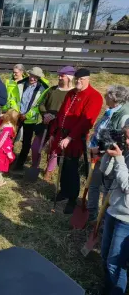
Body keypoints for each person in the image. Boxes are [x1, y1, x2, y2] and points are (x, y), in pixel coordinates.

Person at [50, 68, 103, 214]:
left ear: (88, 79)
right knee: (63, 165)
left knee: (72, 167)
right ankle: (64, 191)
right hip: (62, 134)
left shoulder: (94, 96)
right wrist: (54, 131)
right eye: (77, 79)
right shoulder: (71, 93)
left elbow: (86, 121)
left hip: (74, 138)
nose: (79, 82)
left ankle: (73, 198)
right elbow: (62, 113)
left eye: (82, 79)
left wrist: (70, 137)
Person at [90, 128, 129, 295]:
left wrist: (120, 160)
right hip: (114, 209)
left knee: (116, 263)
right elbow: (107, 173)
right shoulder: (125, 151)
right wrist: (107, 155)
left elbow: (127, 186)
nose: (126, 140)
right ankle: (107, 288)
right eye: (125, 135)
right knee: (105, 254)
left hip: (127, 219)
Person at [86, 85, 129, 221]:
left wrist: (99, 149)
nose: (105, 97)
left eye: (108, 95)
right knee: (93, 184)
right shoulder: (111, 110)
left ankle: (102, 219)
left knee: (106, 188)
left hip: (108, 157)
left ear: (114, 98)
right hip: (98, 152)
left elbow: (118, 140)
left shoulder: (124, 115)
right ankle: (91, 213)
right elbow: (102, 129)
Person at [40, 66, 75, 182]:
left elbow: (69, 110)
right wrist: (45, 114)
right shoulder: (52, 89)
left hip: (60, 126)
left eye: (62, 76)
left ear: (69, 77)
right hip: (46, 123)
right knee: (36, 147)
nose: (59, 77)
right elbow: (42, 104)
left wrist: (55, 116)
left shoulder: (73, 93)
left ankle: (49, 171)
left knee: (54, 150)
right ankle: (36, 165)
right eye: (59, 75)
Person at [11, 67, 50, 171]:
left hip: (30, 120)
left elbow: (38, 106)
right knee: (11, 140)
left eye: (36, 77)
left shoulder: (43, 89)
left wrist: (26, 115)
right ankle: (8, 161)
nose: (32, 78)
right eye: (31, 76)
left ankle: (19, 165)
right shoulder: (20, 84)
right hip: (17, 117)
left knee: (26, 143)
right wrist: (17, 112)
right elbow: (13, 99)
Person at [0, 110, 20, 188]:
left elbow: (2, 140)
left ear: (9, 117)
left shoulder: (7, 128)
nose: (4, 115)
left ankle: (0, 180)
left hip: (1, 150)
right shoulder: (5, 124)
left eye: (6, 114)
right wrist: (0, 118)